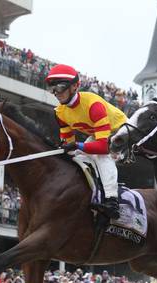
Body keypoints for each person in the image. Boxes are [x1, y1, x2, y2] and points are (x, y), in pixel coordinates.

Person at [45, 64, 127, 219]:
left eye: (61, 86)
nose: (56, 92)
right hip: (100, 135)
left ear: (75, 86)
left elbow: (103, 147)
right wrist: (66, 148)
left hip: (122, 132)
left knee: (99, 156)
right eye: (52, 88)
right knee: (77, 157)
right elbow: (69, 145)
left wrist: (78, 145)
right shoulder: (60, 113)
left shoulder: (93, 105)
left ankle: (111, 201)